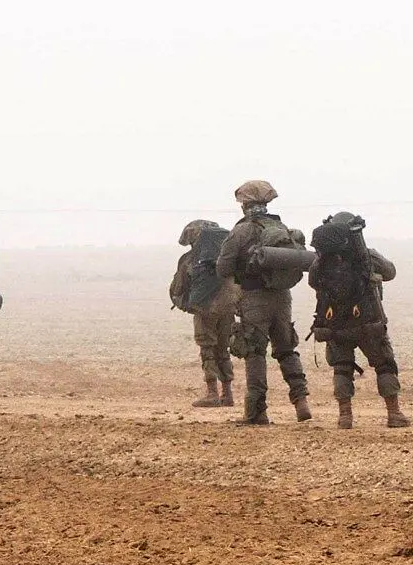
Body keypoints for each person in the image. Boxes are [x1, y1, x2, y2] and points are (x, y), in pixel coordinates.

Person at [215, 181, 313, 425]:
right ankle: (301, 401)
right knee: (286, 349)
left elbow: (223, 268)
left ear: (244, 205)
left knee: (255, 353)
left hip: (254, 298)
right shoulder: (279, 227)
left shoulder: (240, 231)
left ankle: (256, 413)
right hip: (282, 297)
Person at [308, 211, 406, 429]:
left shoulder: (320, 262)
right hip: (368, 323)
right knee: (385, 365)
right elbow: (390, 272)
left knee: (342, 368)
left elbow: (313, 283)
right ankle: (394, 414)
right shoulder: (367, 256)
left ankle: (345, 417)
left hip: (335, 326)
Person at [169, 220, 238, 408]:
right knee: (223, 350)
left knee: (207, 349)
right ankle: (227, 394)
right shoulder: (227, 259)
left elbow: (177, 288)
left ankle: (212, 393)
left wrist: (188, 304)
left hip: (205, 310)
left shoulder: (190, 260)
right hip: (228, 309)